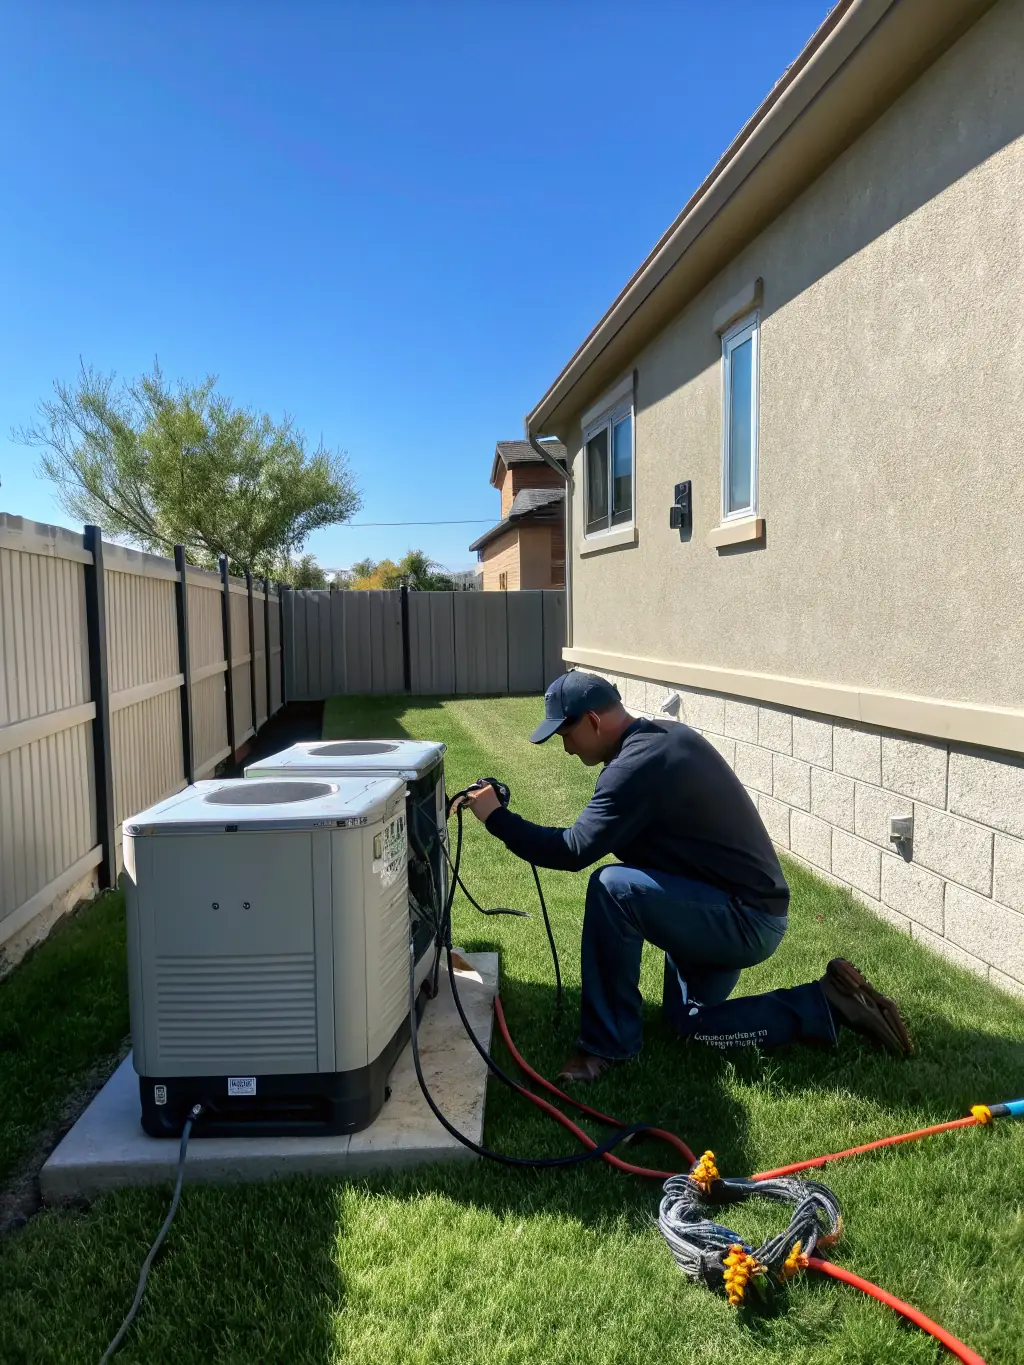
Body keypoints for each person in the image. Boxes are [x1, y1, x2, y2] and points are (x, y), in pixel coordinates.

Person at [460, 670, 912, 1082]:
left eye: (566, 733)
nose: (566, 747)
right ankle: (825, 1005)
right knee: (689, 1025)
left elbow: (574, 850)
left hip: (743, 919)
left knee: (612, 887)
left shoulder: (637, 765)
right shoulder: (662, 738)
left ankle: (606, 1046)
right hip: (722, 900)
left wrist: (496, 818)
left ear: (594, 721)